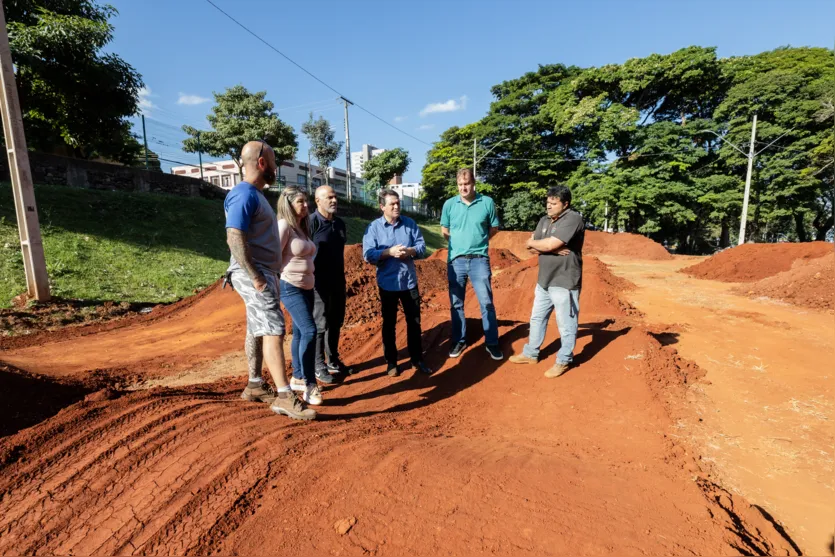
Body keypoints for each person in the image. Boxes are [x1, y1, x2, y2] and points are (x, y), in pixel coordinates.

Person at [224, 140, 315, 420]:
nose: (276, 168)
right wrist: (255, 276)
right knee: (275, 328)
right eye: (274, 162)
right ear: (262, 163)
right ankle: (285, 396)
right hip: (255, 273)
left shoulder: (254, 195)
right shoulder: (244, 194)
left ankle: (254, 385)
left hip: (263, 272)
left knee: (257, 328)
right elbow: (233, 235)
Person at [509, 185, 585, 378]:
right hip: (544, 280)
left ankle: (564, 360)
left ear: (565, 204)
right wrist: (550, 247)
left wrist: (549, 245)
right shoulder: (544, 220)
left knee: (566, 323)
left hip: (565, 280)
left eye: (553, 203)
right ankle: (531, 353)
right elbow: (531, 247)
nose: (548, 206)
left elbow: (547, 243)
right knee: (537, 318)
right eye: (547, 202)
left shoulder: (573, 219)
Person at [362, 189, 433, 377]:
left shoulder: (409, 224)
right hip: (387, 284)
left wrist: (409, 251)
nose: (396, 206)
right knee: (389, 324)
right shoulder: (374, 228)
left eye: (398, 203)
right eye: (392, 204)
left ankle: (417, 359)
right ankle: (391, 362)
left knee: (414, 322)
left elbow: (421, 248)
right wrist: (388, 252)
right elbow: (368, 254)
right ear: (382, 206)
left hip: (409, 282)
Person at [440, 168, 503, 361]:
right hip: (456, 261)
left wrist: (479, 240)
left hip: (479, 260)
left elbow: (494, 227)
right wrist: (459, 241)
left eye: (466, 184)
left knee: (486, 303)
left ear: (474, 183)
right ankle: (459, 340)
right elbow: (444, 229)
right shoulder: (450, 204)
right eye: (460, 185)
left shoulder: (487, 202)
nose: (463, 188)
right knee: (456, 303)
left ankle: (492, 342)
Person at [276, 186, 323, 405]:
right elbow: (273, 256)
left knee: (298, 332)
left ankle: (297, 376)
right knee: (310, 330)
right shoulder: (284, 225)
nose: (306, 206)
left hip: (306, 287)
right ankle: (310, 384)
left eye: (306, 201)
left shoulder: (301, 228)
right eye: (300, 202)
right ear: (289, 203)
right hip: (290, 286)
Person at [309, 185, 354, 382]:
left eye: (335, 197)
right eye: (329, 197)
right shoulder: (310, 223)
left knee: (336, 321)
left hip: (337, 280)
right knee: (320, 323)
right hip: (318, 282)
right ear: (318, 201)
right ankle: (318, 365)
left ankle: (333, 360)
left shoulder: (340, 224)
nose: (334, 200)